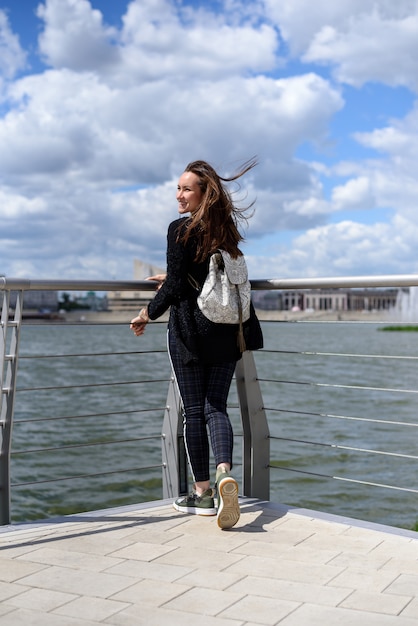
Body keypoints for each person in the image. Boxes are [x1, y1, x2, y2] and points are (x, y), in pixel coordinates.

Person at [130, 158, 262, 529]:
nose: (179, 195)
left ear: (204, 194)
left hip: (190, 332)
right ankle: (224, 474)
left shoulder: (180, 229)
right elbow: (199, 274)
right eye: (178, 188)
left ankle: (202, 493)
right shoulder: (227, 232)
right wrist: (175, 272)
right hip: (227, 332)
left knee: (193, 411)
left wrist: (146, 313)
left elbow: (175, 289)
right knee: (216, 407)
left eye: (187, 188)